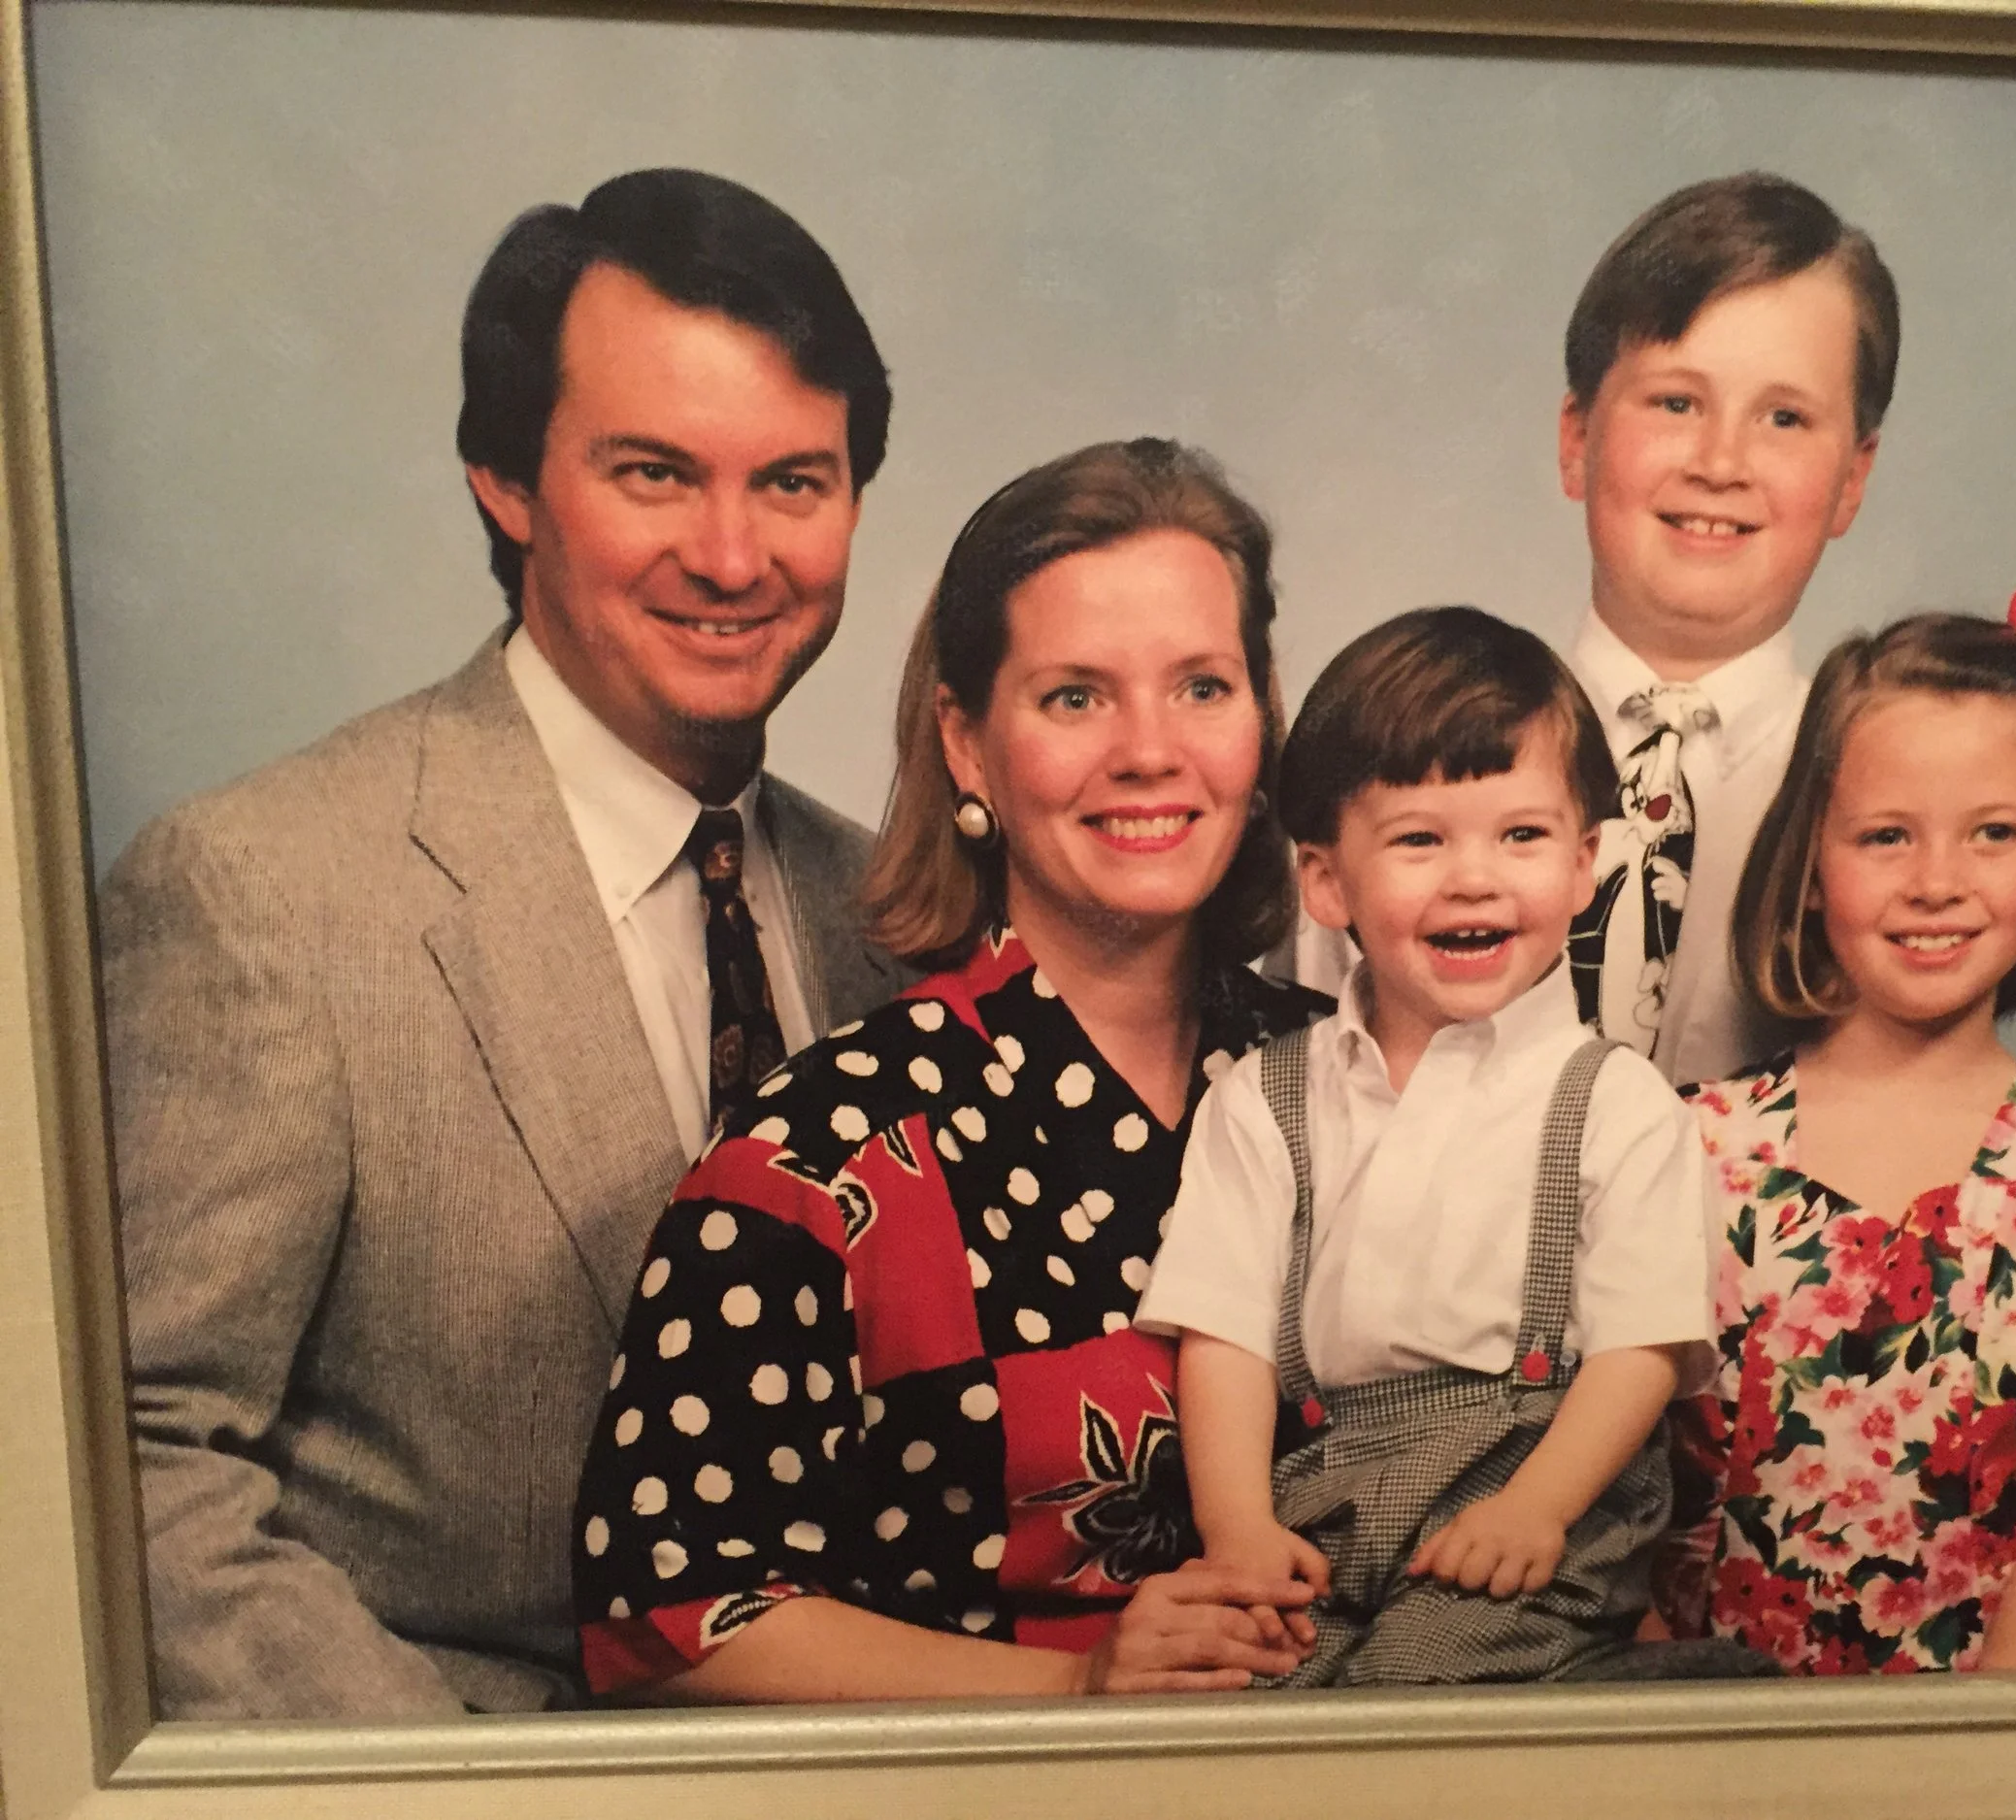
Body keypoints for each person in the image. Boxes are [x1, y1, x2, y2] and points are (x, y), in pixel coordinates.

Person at [101, 168, 905, 1718]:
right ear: (506, 480)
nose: (736, 558)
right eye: (655, 473)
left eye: (795, 482)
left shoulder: (894, 916)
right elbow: (127, 1457)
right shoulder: (261, 891)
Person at [573, 439, 1335, 1702]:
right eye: (1076, 696)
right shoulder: (815, 1160)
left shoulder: (1362, 1081)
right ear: (968, 744)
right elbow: (669, 1615)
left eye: (1203, 685)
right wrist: (1079, 1686)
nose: (1151, 749)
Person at [1137, 607, 1718, 1686]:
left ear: (1586, 860)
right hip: (1320, 1497)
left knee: (1411, 1704)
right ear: (1324, 880)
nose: (1473, 878)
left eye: (1522, 836)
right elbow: (1222, 1337)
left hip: (1536, 1501)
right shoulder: (1267, 1098)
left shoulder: (1616, 1105)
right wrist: (1238, 1530)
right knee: (1238, 1713)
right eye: (1418, 839)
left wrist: (1534, 1509)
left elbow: (1642, 1349)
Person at [1656, 579, 2016, 1673]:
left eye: (1993, 833)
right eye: (1884, 836)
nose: (1936, 883)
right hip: (1710, 1735)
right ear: (1811, 860)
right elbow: (1632, 1500)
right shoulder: (1693, 1148)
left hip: (1985, 1752)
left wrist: (1962, 1766)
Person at [1294, 174, 1898, 1087]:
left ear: (1853, 477)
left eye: (1784, 417)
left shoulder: (1882, 799)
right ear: (1576, 439)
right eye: (1675, 403)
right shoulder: (1403, 751)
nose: (1721, 462)